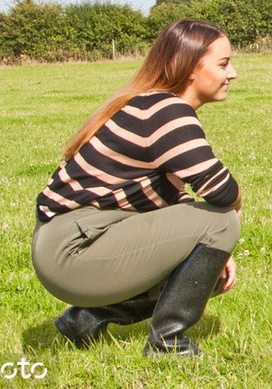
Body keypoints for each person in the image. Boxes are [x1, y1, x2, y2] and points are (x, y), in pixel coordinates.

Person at [31, 19, 243, 357]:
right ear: (188, 67)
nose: (233, 73)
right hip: (71, 251)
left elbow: (175, 202)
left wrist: (219, 253)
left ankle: (85, 319)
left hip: (73, 242)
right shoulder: (166, 110)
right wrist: (231, 221)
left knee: (207, 266)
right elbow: (221, 191)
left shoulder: (154, 105)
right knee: (222, 221)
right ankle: (167, 345)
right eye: (223, 63)